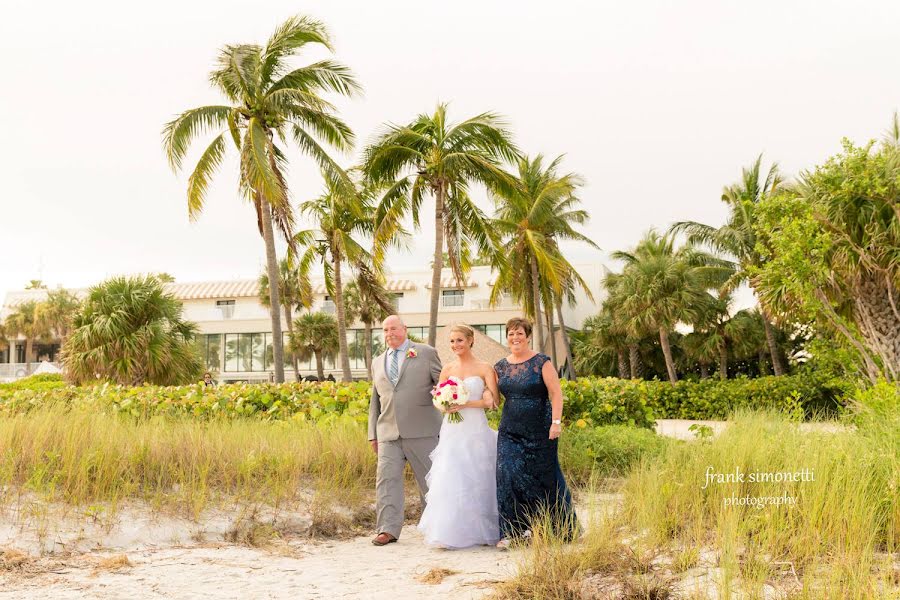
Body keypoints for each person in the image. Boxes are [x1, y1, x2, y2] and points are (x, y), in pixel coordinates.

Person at [494, 317, 577, 548]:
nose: (515, 337)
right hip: (509, 430)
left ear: (528, 336)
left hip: (541, 429)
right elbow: (493, 398)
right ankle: (513, 532)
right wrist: (457, 397)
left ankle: (557, 528)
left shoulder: (541, 362)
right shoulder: (500, 366)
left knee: (545, 477)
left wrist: (556, 422)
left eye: (519, 333)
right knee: (507, 476)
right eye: (511, 333)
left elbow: (556, 393)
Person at [417, 324, 501, 549]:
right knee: (451, 475)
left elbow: (494, 402)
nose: (455, 345)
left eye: (460, 341)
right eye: (452, 342)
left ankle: (482, 532)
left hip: (475, 429)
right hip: (452, 430)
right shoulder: (447, 369)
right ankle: (448, 533)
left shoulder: (485, 368)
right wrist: (445, 405)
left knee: (477, 475)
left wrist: (465, 403)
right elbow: (440, 401)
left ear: (471, 340)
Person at [368, 315, 442, 546]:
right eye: (385, 330)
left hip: (423, 430)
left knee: (430, 481)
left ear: (405, 329)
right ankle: (387, 529)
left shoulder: (426, 352)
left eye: (394, 328)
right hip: (388, 432)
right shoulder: (378, 361)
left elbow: (444, 385)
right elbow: (375, 401)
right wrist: (373, 433)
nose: (389, 333)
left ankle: (437, 526)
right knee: (386, 481)